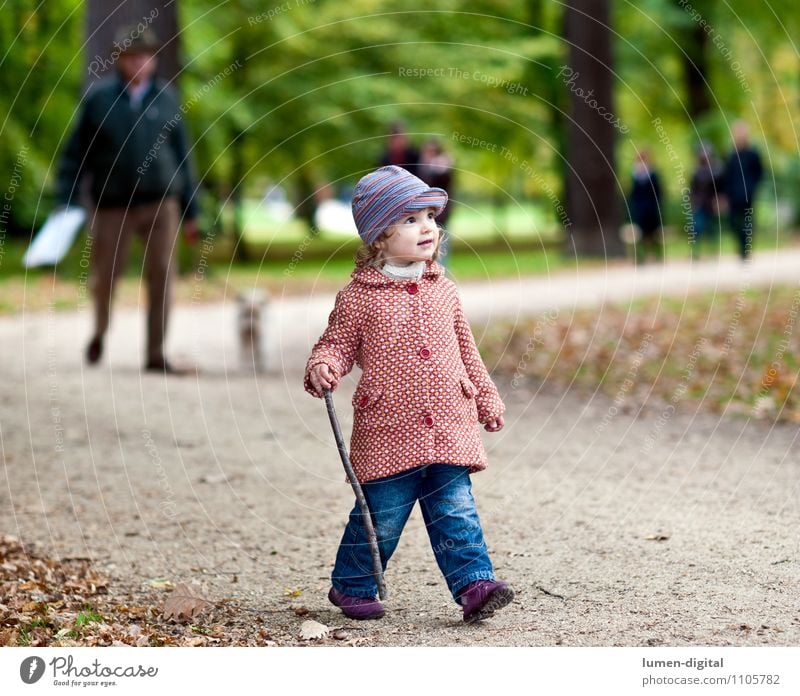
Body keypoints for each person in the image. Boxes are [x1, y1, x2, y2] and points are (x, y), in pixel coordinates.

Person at [304, 165, 513, 623]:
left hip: (449, 423)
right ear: (379, 236)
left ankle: (474, 584)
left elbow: (466, 350)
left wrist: (485, 397)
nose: (428, 228)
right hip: (388, 429)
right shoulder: (360, 296)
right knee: (381, 515)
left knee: (455, 509)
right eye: (412, 219)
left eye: (431, 218)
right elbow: (336, 343)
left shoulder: (446, 290)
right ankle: (352, 584)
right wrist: (324, 366)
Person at [55, 26, 199, 373]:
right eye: (133, 56)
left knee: (162, 275)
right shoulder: (99, 100)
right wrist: (69, 199)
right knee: (105, 276)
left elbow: (184, 157)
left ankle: (155, 353)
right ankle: (100, 332)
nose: (139, 62)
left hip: (161, 204)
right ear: (120, 60)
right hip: (112, 205)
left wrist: (193, 211)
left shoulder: (167, 99)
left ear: (153, 60)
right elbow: (75, 155)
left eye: (146, 56)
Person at [722, 120, 763, 260]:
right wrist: (724, 195)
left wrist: (752, 187)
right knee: (732, 223)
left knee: (747, 223)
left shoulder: (753, 153)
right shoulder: (731, 155)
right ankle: (741, 245)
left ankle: (745, 250)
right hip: (733, 196)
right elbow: (726, 176)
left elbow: (759, 172)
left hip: (748, 195)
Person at [688, 142, 724, 258]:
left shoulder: (717, 170)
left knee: (712, 228)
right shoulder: (696, 170)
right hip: (699, 204)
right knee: (697, 227)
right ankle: (696, 252)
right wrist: (692, 202)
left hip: (712, 203)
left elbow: (720, 188)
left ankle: (713, 251)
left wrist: (719, 200)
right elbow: (693, 188)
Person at [628, 149, 663, 263]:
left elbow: (658, 191)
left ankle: (657, 254)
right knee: (641, 233)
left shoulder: (652, 173)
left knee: (654, 232)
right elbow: (633, 193)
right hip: (640, 208)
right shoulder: (635, 174)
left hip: (652, 207)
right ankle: (641, 256)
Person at [418, 138, 454, 228]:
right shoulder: (421, 167)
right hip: (424, 209)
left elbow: (445, 181)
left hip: (441, 210)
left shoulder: (441, 167)